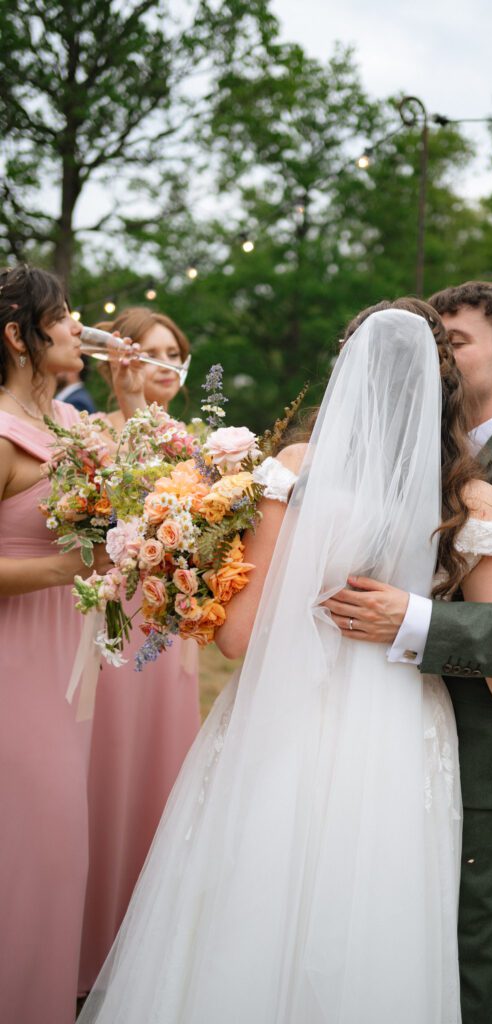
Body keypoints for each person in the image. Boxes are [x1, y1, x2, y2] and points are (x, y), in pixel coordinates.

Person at [79, 300, 492, 1023]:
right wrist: (415, 621)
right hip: (399, 733)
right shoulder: (475, 499)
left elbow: (235, 639)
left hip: (281, 720)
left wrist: (194, 575)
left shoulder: (297, 469)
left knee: (250, 896)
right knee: (376, 914)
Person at [323, 282, 492, 1024]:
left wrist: (412, 620)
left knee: (464, 931)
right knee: (478, 927)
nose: (437, 353)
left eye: (455, 341)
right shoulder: (438, 457)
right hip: (435, 728)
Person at [0, 264, 112, 1024]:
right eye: (63, 315)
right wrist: (57, 568)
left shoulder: (77, 428)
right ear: (17, 336)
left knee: (62, 850)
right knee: (27, 849)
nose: (77, 326)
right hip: (13, 666)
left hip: (71, 671)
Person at [79, 307, 201, 995]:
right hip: (110, 629)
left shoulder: (200, 444)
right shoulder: (92, 434)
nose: (163, 363)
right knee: (106, 774)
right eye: (149, 350)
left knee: (160, 778)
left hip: (171, 633)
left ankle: (142, 945)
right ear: (119, 359)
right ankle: (88, 939)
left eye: (174, 352)